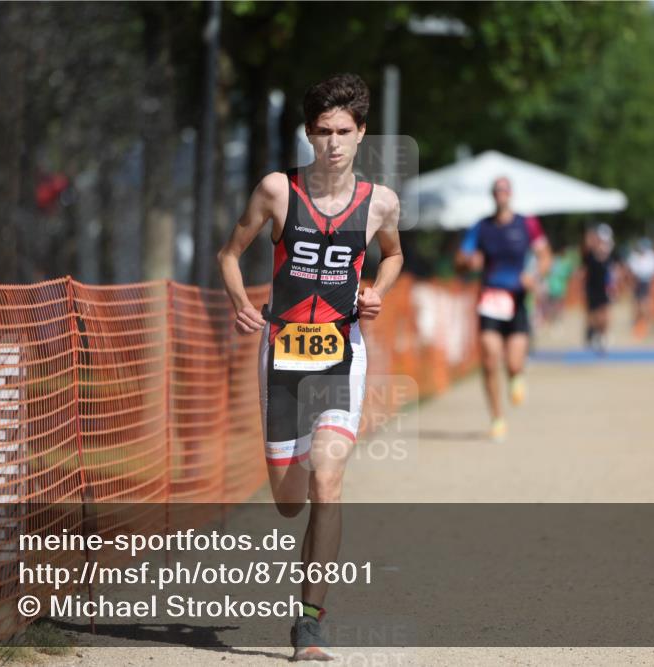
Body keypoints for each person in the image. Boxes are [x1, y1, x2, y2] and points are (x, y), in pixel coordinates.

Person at [217, 73, 402, 661]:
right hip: (282, 353)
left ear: (362, 133)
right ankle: (290, 474)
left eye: (344, 132)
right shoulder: (277, 191)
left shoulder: (380, 203)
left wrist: (377, 289)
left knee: (328, 478)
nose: (333, 144)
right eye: (323, 132)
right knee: (289, 500)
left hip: (342, 351)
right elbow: (229, 254)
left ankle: (311, 623)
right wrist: (242, 304)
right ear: (308, 134)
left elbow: (394, 255)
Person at [455, 177, 551, 443]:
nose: (501, 195)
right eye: (497, 191)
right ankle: (497, 418)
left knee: (513, 361)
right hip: (490, 299)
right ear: (493, 196)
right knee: (489, 358)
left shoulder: (527, 223)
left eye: (505, 190)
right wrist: (467, 262)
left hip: (517, 299)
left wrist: (535, 276)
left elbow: (545, 256)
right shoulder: (481, 227)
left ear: (511, 194)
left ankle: (516, 376)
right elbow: (462, 259)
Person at [582, 224, 614, 354]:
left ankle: (603, 337)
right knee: (594, 316)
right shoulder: (590, 254)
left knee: (604, 315)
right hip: (591, 289)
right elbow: (587, 245)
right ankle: (595, 334)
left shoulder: (609, 255)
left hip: (604, 289)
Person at [627, 238, 654, 339]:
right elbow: (632, 270)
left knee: (646, 304)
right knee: (637, 304)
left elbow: (652, 270)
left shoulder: (652, 256)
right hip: (637, 282)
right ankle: (637, 324)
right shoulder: (634, 256)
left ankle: (645, 324)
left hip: (646, 282)